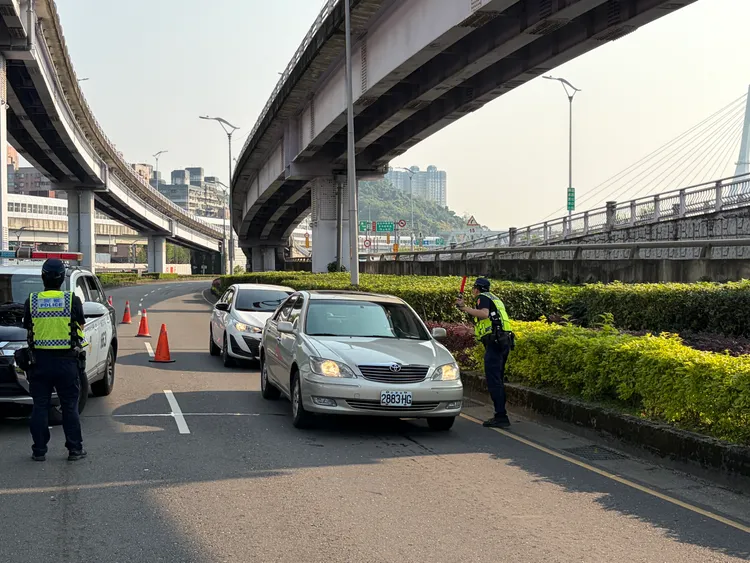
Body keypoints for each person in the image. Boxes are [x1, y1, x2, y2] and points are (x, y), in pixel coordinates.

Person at [22, 258, 88, 462]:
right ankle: (75, 450)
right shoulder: (71, 300)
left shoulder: (32, 300)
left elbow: (28, 327)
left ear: (43, 277)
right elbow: (81, 326)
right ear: (62, 279)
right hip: (66, 362)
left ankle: (39, 451)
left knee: (40, 406)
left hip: (39, 362)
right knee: (69, 406)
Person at [456, 277, 513, 428]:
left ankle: (501, 416)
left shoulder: (482, 298)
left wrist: (464, 308)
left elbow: (484, 314)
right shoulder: (494, 298)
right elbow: (490, 320)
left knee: (493, 379)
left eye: (473, 289)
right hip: (503, 341)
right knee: (498, 379)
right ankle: (500, 413)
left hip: (495, 343)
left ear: (476, 289)